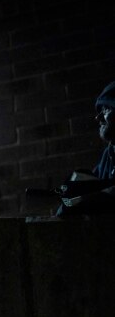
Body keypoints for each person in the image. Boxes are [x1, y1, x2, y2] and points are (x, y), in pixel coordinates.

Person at [56, 81, 115, 218]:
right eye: (99, 111)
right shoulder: (110, 153)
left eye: (106, 109)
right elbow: (90, 186)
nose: (98, 117)